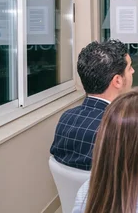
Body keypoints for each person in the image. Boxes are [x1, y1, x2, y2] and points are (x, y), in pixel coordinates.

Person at [50, 39, 133, 171]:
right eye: (129, 68)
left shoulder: (66, 119)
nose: (133, 71)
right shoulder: (122, 128)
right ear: (117, 80)